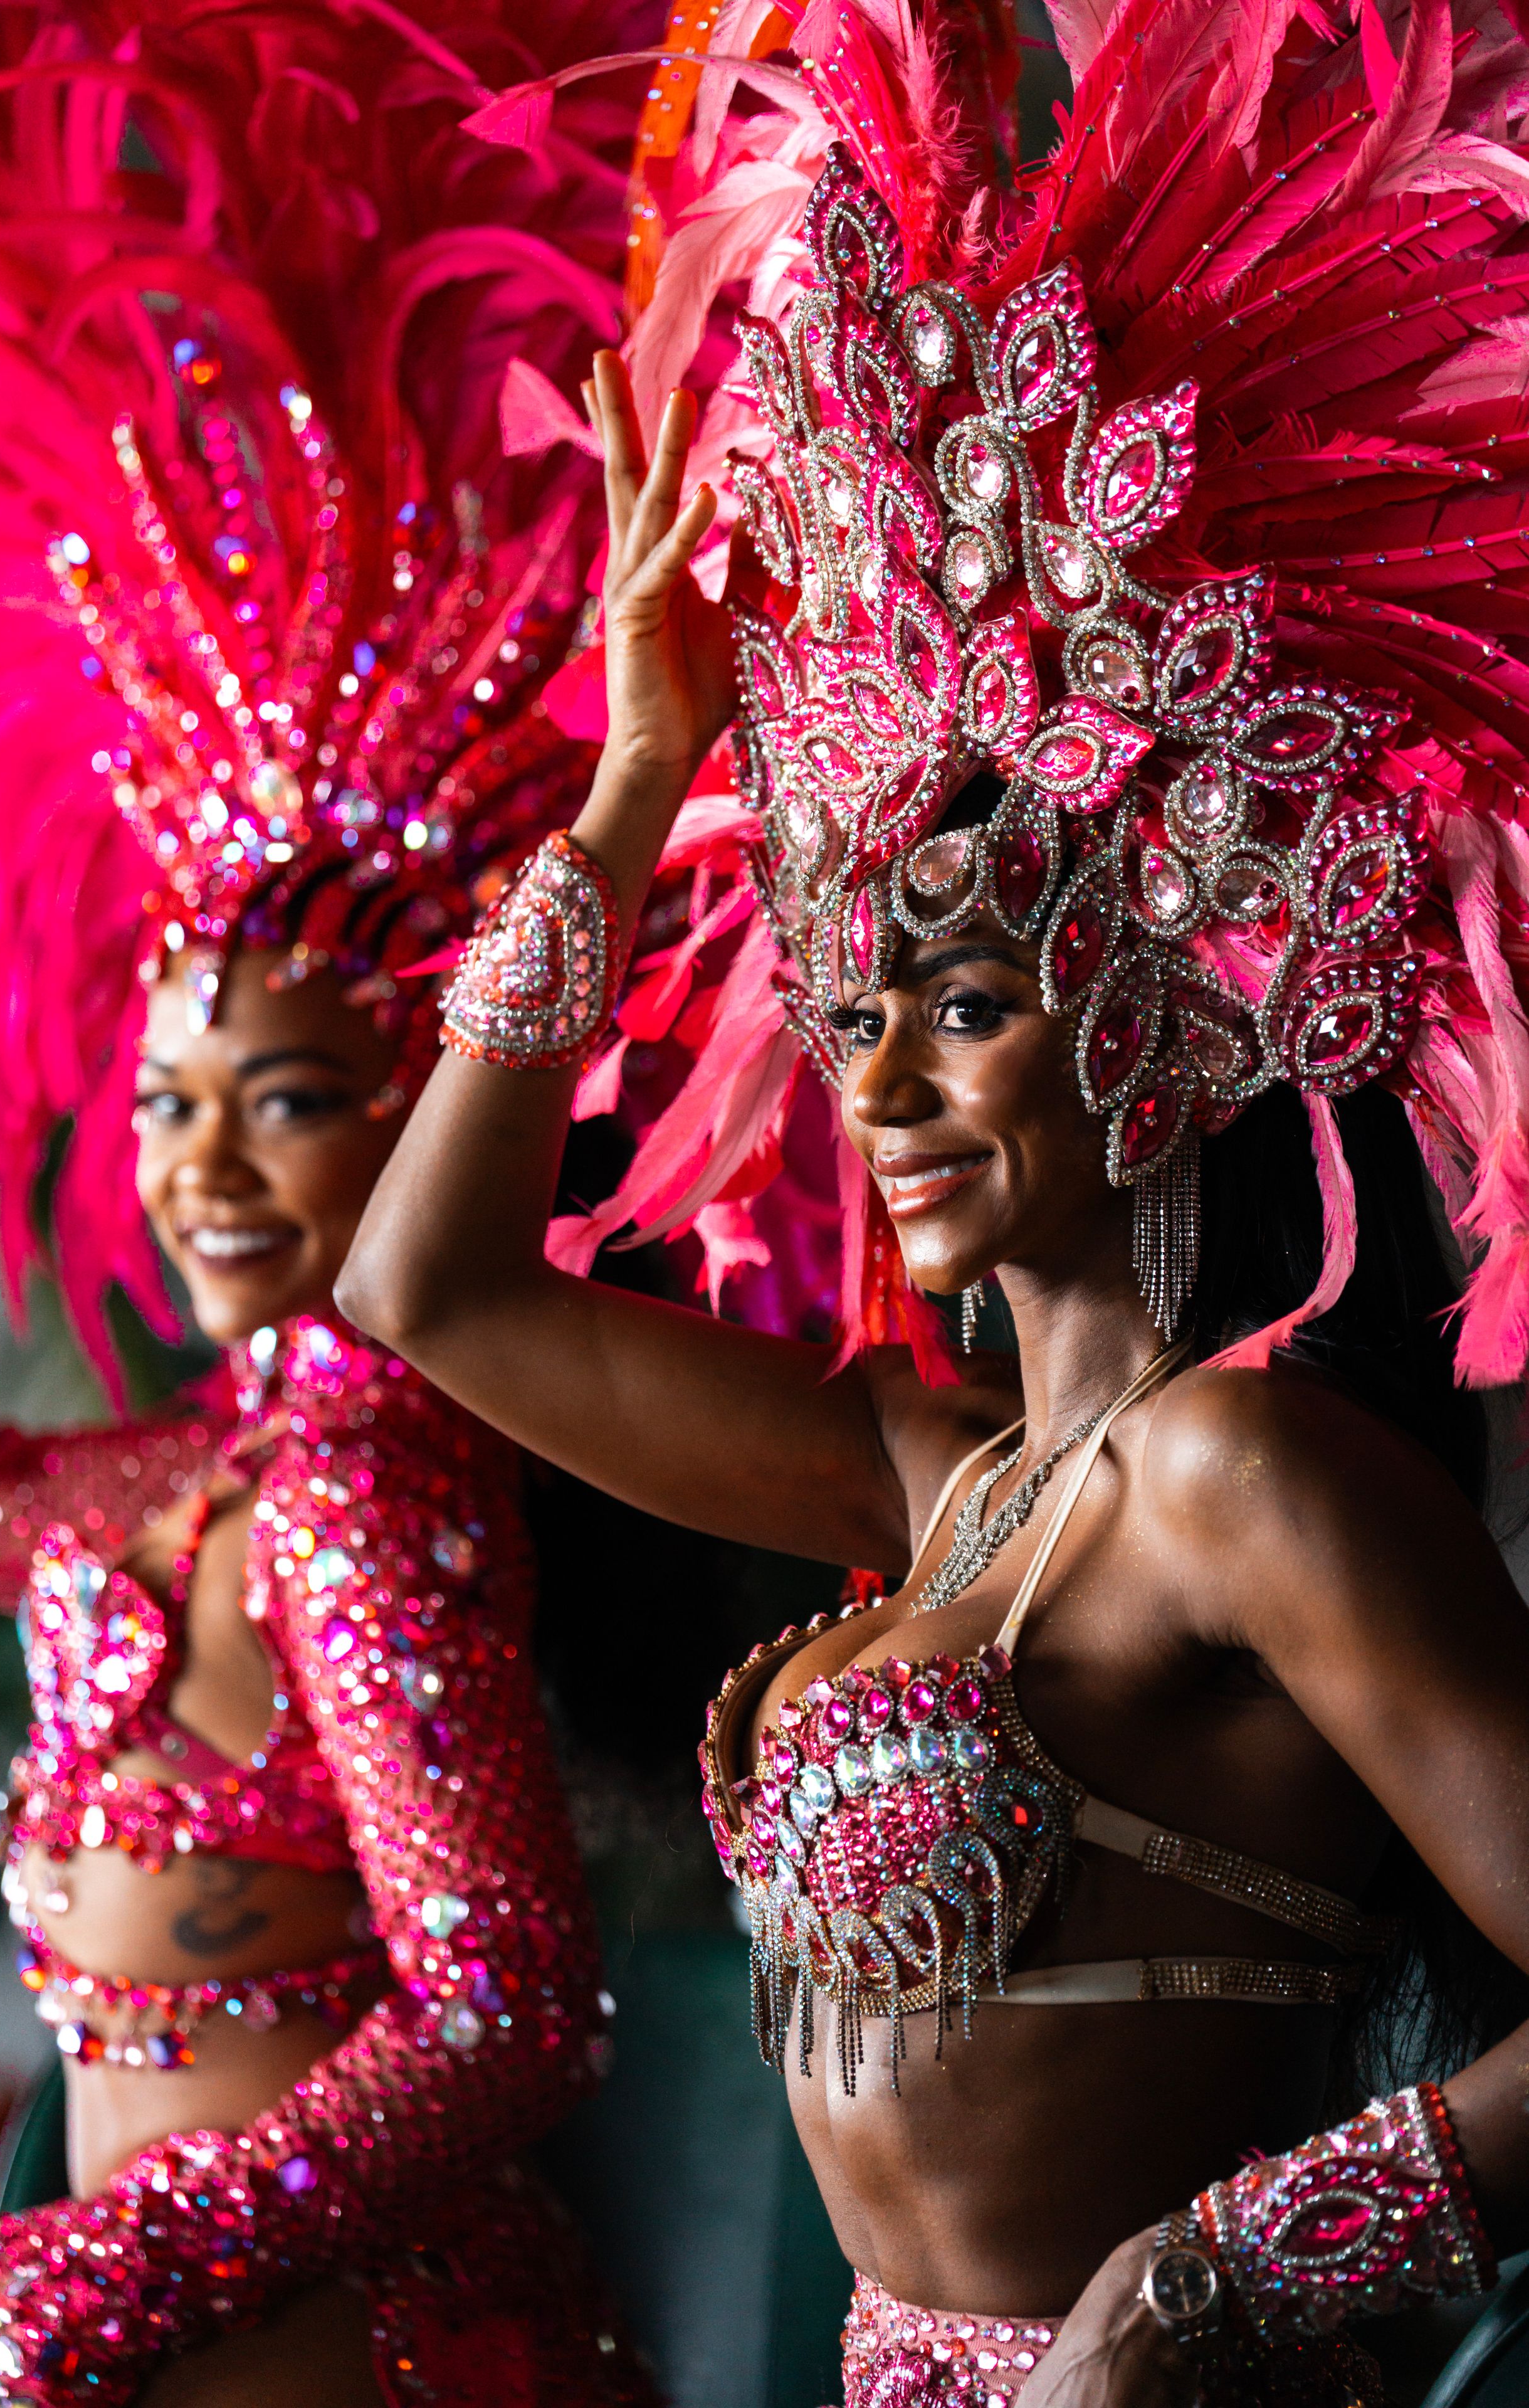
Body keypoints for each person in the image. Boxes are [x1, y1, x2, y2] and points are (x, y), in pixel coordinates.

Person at [338, 1, 1529, 2401]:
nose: (876, 1080)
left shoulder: (1238, 1477)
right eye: (850, 1007)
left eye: (964, 1003)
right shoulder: (940, 1477)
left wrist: (1217, 2276)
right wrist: (636, 775)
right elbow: (427, 1288)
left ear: (1171, 1005)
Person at [0, 4, 660, 2402]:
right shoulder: (202, 1472)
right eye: (169, 1097)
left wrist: (84, 2285)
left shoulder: (366, 1481)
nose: (201, 1161)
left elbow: (512, 2009)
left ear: (417, 1118)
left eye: (290, 1097)